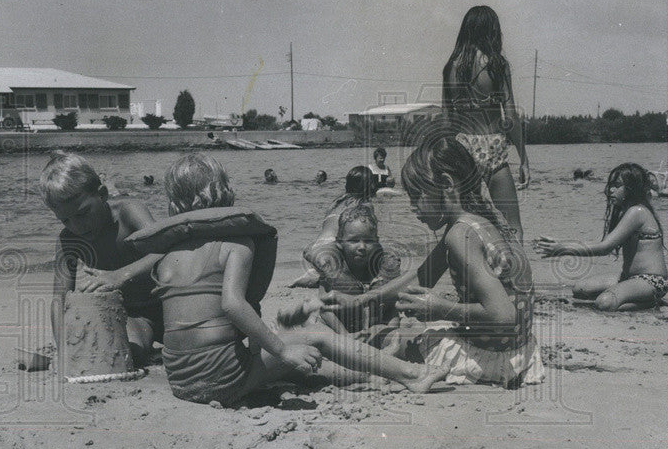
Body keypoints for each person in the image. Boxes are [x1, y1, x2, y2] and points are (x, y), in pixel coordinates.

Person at [152, 154, 448, 406]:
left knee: (295, 364)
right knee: (315, 335)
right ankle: (413, 375)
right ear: (227, 194)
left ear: (173, 207)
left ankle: (367, 372)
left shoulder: (166, 255)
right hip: (223, 378)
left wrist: (272, 350)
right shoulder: (237, 245)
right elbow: (232, 305)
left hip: (181, 380)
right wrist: (281, 349)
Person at [323, 133, 544, 388]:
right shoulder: (484, 219)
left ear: (447, 184)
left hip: (488, 358)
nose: (414, 208)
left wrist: (440, 309)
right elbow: (422, 276)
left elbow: (504, 315)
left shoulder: (461, 234)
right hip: (520, 352)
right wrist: (361, 299)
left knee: (380, 346)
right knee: (390, 335)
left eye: (418, 196)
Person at [40, 152, 163, 366]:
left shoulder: (129, 213)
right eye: (66, 220)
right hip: (134, 316)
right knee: (128, 352)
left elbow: (164, 251)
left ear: (103, 194)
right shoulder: (69, 240)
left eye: (82, 213)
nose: (76, 226)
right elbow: (59, 300)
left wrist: (120, 276)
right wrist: (63, 350)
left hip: (167, 302)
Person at [442, 5, 530, 242]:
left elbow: (446, 120)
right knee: (513, 227)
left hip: (461, 147)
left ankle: (469, 276)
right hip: (492, 145)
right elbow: (509, 116)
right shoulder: (496, 64)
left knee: (464, 227)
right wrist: (524, 157)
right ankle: (517, 278)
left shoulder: (450, 66)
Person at [534, 162, 668, 311]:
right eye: (610, 185)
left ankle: (649, 303)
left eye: (617, 186)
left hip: (652, 281)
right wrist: (562, 244)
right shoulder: (626, 211)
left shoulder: (637, 212)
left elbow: (604, 248)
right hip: (629, 278)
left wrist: (562, 248)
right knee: (580, 289)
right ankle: (632, 296)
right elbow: (602, 244)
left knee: (604, 302)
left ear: (631, 189)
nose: (610, 190)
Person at [278, 203, 401, 335]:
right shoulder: (334, 265)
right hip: (338, 324)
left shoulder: (382, 265)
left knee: (390, 331)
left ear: (377, 241)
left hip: (374, 323)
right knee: (316, 326)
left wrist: (387, 331)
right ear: (339, 243)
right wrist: (345, 336)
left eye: (369, 241)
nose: (362, 247)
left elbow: (392, 309)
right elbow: (326, 311)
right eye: (354, 241)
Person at [289, 165, 378, 288]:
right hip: (333, 249)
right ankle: (326, 276)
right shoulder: (364, 204)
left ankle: (317, 273)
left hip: (316, 247)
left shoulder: (337, 202)